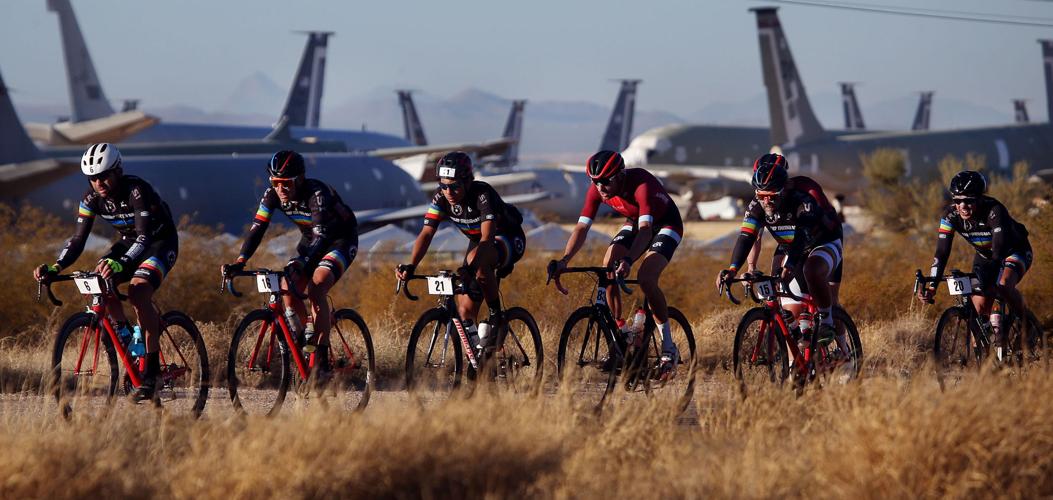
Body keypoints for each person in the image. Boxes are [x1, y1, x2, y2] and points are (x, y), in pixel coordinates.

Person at [34, 143, 178, 402]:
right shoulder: (90, 198)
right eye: (92, 178)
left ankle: (153, 372)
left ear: (117, 171)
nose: (98, 182)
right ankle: (125, 335)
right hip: (129, 242)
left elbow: (144, 237)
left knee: (138, 291)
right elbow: (78, 240)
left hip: (159, 242)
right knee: (99, 279)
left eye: (103, 176)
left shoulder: (137, 190)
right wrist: (55, 267)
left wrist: (121, 262)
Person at [552, 150, 683, 380]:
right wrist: (564, 260)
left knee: (646, 277)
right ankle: (622, 335)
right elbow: (581, 229)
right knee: (607, 266)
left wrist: (629, 260)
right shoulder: (597, 190)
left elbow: (645, 232)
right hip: (636, 221)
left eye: (605, 181)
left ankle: (669, 348)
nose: (599, 187)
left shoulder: (641, 184)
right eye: (594, 181)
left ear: (620, 175)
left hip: (666, 224)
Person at [225, 150, 359, 374]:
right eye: (275, 182)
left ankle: (321, 360)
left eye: (285, 183)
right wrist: (241, 261)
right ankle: (305, 342)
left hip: (339, 240)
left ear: (299, 179)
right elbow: (257, 229)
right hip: (311, 240)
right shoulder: (272, 195)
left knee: (317, 287)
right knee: (287, 287)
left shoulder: (317, 193)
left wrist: (303, 265)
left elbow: (322, 236)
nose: (280, 188)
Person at [395, 151, 526, 352]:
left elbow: (487, 238)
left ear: (467, 182)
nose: (448, 191)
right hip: (478, 243)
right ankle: (480, 358)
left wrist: (471, 268)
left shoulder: (482, 194)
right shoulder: (441, 199)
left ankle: (496, 316)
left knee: (476, 262)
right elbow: (427, 233)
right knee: (465, 311)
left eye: (454, 186)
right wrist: (411, 265)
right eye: (443, 185)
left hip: (506, 237)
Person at [716, 156, 844, 342]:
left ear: (785, 190)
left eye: (771, 196)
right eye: (761, 196)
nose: (766, 201)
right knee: (784, 301)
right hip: (790, 246)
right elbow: (747, 237)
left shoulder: (802, 198)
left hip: (822, 241)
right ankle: (796, 350)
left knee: (813, 273)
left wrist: (790, 266)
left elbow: (801, 236)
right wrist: (734, 269)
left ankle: (829, 324)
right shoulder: (756, 206)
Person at [917, 170, 1032, 339]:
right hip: (985, 256)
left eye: (968, 200)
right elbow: (942, 252)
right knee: (978, 313)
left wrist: (992, 274)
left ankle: (1026, 326)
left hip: (1014, 251)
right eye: (957, 200)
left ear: (979, 198)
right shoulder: (950, 216)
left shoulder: (994, 210)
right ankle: (985, 360)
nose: (962, 206)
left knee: (1003, 284)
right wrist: (932, 286)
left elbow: (999, 247)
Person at [743, 153, 844, 317]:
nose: (766, 190)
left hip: (822, 237)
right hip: (790, 241)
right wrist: (751, 268)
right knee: (776, 283)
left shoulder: (805, 187)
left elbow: (822, 219)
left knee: (831, 300)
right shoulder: (761, 200)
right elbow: (754, 236)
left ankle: (837, 334)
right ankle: (789, 325)